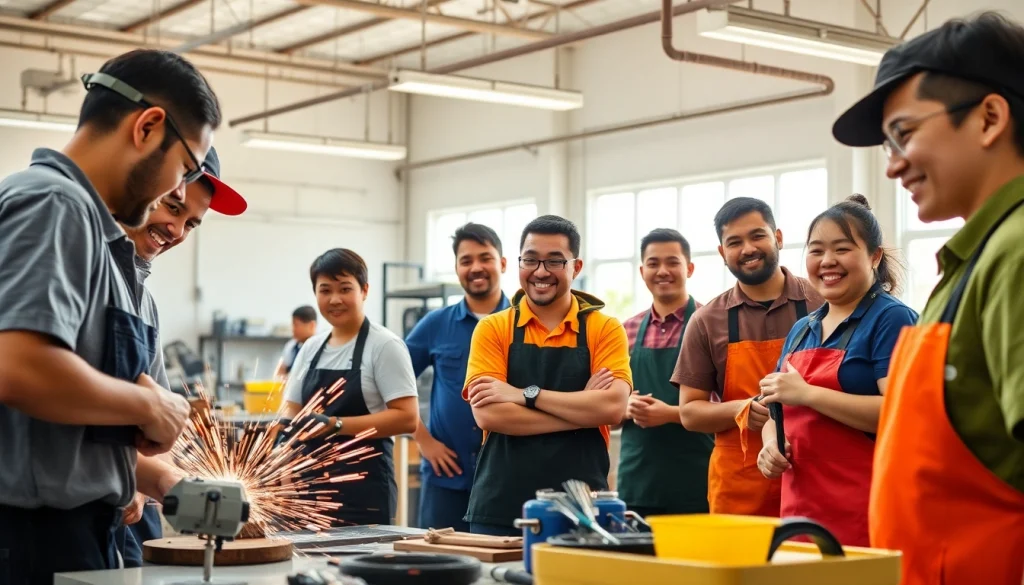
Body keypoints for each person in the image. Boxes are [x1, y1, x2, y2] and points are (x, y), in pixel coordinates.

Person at [0, 49, 219, 584]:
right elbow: (17, 366)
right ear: (147, 127)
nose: (175, 192)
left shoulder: (95, 238)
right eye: (184, 170)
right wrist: (149, 403)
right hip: (32, 541)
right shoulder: (54, 203)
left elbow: (58, 429)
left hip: (73, 534)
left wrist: (153, 476)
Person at [831, 11, 1024, 584]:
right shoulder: (977, 260)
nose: (891, 164)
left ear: (989, 117)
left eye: (904, 135)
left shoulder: (1015, 253)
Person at [755, 195, 917, 547]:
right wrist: (771, 444)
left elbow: (901, 413)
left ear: (874, 256)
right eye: (816, 250)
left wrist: (809, 394)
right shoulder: (803, 329)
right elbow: (776, 411)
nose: (827, 261)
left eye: (842, 249)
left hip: (868, 509)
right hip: (801, 509)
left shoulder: (891, 318)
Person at [116, 146, 247, 566]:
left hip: (128, 517)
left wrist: (146, 481)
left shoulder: (145, 303)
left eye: (191, 223)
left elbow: (159, 432)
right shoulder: (83, 272)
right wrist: (148, 476)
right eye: (173, 207)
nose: (175, 230)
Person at [462, 215, 632, 536]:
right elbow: (488, 414)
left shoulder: (604, 329)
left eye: (555, 261)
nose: (540, 272)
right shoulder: (493, 328)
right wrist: (583, 412)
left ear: (576, 267)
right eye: (531, 260)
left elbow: (611, 409)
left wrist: (524, 394)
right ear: (518, 263)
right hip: (500, 507)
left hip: (583, 508)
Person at [671, 197, 824, 517]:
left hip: (817, 479)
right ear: (722, 252)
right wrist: (741, 409)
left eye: (757, 236)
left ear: (778, 238)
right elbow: (689, 413)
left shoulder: (821, 303)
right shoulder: (706, 320)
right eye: (734, 242)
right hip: (739, 490)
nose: (748, 249)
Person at [280, 249, 419, 526]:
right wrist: (282, 453)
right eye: (325, 290)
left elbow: (407, 417)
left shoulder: (384, 346)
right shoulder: (310, 348)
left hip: (364, 492)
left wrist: (336, 424)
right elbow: (290, 410)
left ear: (364, 290)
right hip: (310, 489)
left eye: (345, 289)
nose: (334, 299)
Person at [405, 223, 511, 531]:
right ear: (456, 268)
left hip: (506, 475)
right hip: (445, 476)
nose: (476, 267)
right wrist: (423, 440)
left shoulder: (522, 323)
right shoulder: (435, 324)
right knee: (439, 566)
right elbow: (391, 385)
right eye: (466, 261)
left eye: (485, 257)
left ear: (502, 263)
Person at [617, 228, 713, 517]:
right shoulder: (625, 331)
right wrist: (625, 408)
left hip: (699, 484)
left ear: (690, 268)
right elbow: (600, 408)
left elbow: (733, 407)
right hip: (637, 485)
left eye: (672, 262)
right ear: (642, 270)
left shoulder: (711, 324)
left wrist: (670, 414)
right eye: (654, 263)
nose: (663, 271)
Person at [275, 306, 319, 379]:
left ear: (311, 325)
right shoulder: (291, 346)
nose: (293, 329)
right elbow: (280, 372)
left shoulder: (321, 347)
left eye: (296, 325)